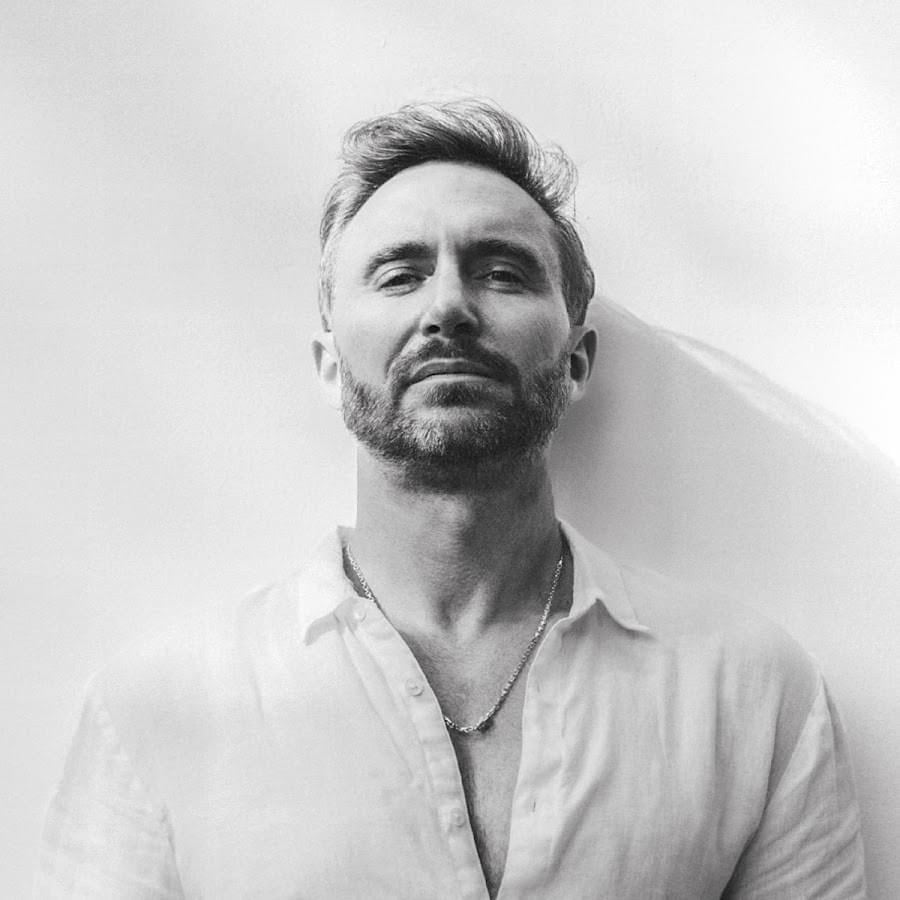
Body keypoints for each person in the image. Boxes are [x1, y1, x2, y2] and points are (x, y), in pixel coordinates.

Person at [37, 99, 866, 899]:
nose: (448, 308)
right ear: (330, 367)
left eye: (501, 273)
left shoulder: (748, 689)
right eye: (400, 275)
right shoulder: (157, 709)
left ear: (576, 362)